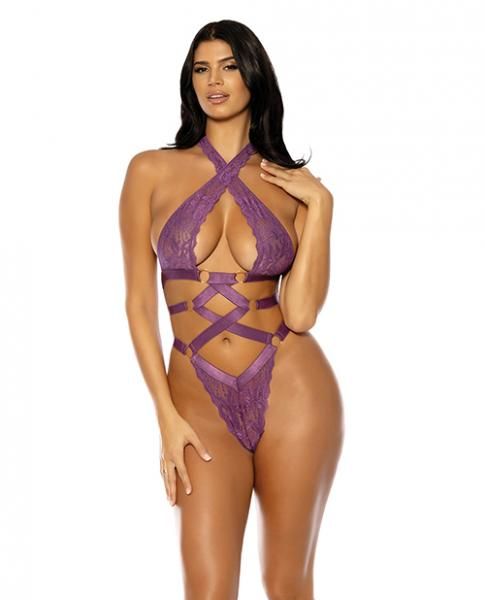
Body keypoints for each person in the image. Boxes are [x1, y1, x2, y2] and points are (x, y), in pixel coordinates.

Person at [119, 18, 344, 600]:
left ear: (254, 77)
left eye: (228, 67)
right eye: (201, 68)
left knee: (286, 583)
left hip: (293, 388)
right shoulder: (149, 171)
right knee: (209, 588)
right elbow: (139, 304)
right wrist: (165, 415)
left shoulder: (292, 186)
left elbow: (301, 314)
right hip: (196, 397)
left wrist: (321, 206)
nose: (214, 81)